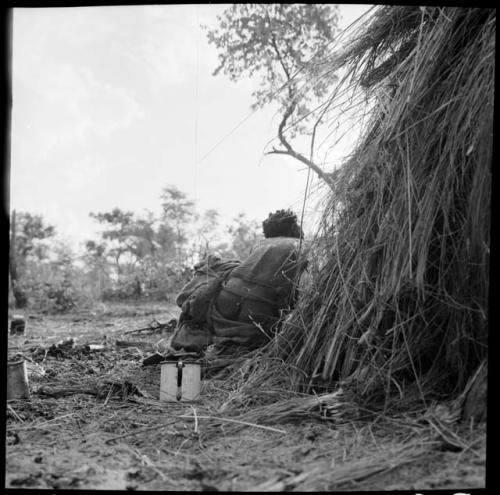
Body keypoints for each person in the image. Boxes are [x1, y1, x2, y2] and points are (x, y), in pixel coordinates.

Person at [145, 209, 307, 363]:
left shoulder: (261, 244)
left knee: (235, 338)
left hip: (227, 296)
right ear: (293, 227)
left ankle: (206, 349)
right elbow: (298, 291)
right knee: (261, 338)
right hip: (259, 305)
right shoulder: (300, 246)